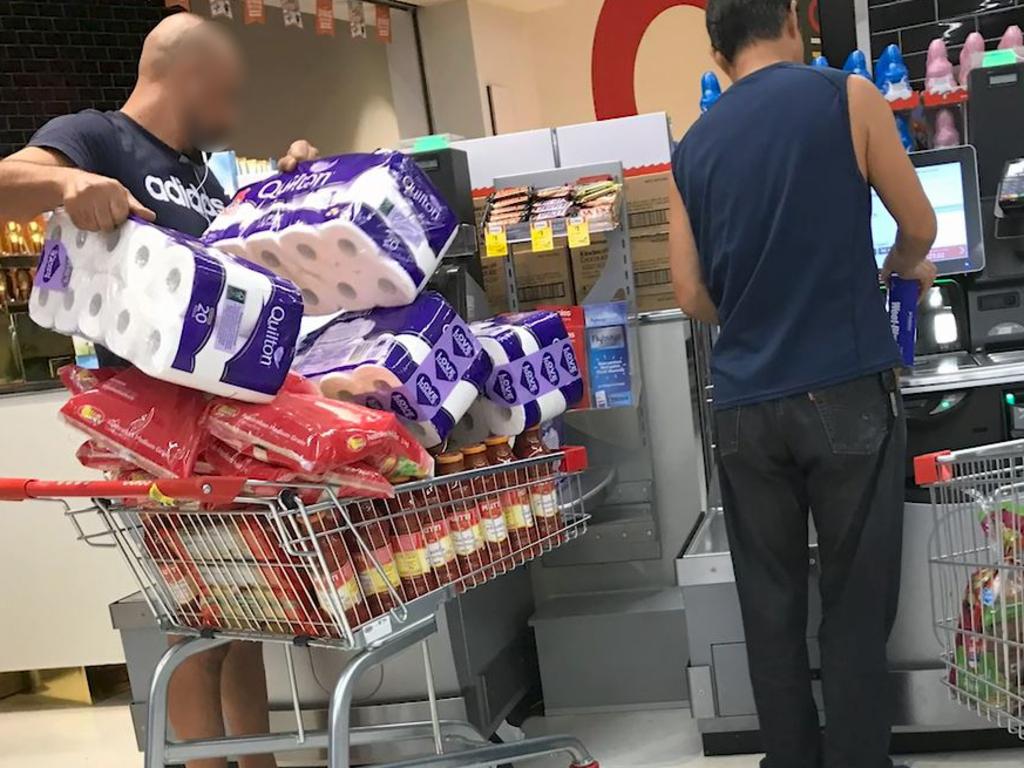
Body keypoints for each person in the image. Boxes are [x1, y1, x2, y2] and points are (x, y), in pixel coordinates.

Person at [0, 13, 320, 768]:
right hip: (158, 437)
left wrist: (284, 187)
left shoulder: (206, 177)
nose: (234, 115)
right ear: (192, 77)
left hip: (230, 431)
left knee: (247, 625)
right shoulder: (96, 137)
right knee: (196, 629)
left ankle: (258, 761)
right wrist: (67, 180)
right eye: (230, 96)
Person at [668, 1, 937, 767]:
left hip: (745, 408)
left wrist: (755, 313)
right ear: (793, 19)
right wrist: (889, 270)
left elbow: (689, 295)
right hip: (845, 392)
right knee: (853, 604)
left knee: (770, 601)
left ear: (718, 51)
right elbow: (917, 224)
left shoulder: (691, 148)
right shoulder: (847, 98)